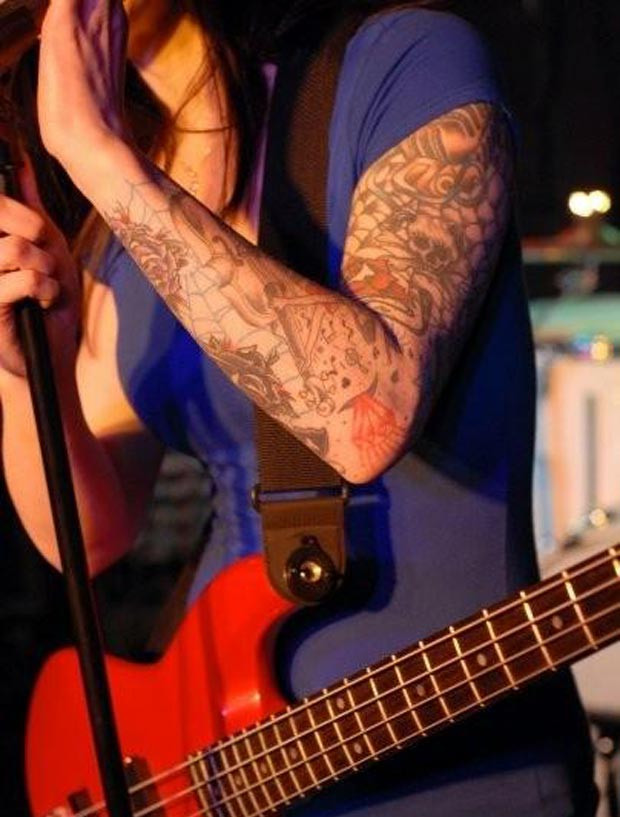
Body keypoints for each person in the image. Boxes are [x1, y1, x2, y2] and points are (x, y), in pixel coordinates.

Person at [0, 0, 599, 814]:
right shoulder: (122, 216)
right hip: (219, 764)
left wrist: (100, 159)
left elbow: (369, 413)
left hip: (459, 775)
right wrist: (33, 372)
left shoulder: (404, 63)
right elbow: (88, 535)